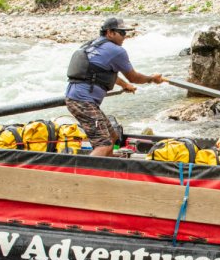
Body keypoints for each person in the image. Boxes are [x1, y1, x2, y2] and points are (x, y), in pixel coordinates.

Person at [65, 17, 164, 157]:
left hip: (77, 98)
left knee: (112, 137)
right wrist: (152, 79)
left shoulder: (93, 45)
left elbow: (101, 72)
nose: (125, 36)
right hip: (83, 102)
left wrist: (125, 85)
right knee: (103, 145)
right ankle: (83, 176)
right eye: (122, 32)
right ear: (110, 33)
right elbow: (134, 77)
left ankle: (107, 170)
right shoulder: (116, 51)